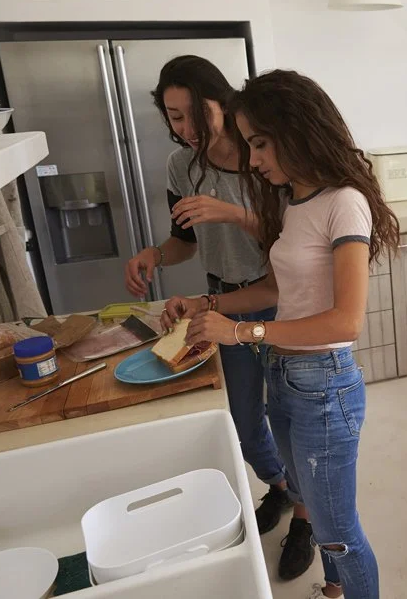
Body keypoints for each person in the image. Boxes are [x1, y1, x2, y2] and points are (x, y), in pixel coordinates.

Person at [162, 69, 395, 599]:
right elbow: (273, 285)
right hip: (285, 378)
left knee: (339, 536)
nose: (255, 159)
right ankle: (335, 592)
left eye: (260, 144)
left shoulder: (345, 202)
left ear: (298, 130)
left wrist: (241, 331)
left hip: (324, 386)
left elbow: (345, 321)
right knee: (315, 507)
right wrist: (208, 303)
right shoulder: (294, 201)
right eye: (249, 145)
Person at [122, 56, 312, 573]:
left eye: (191, 115)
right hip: (220, 300)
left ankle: (304, 516)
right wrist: (155, 255)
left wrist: (231, 213)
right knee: (245, 421)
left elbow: (292, 240)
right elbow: (184, 242)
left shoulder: (265, 157)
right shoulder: (180, 168)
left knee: (291, 418)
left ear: (221, 103)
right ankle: (279, 485)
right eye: (173, 118)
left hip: (281, 299)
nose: (184, 130)